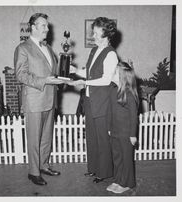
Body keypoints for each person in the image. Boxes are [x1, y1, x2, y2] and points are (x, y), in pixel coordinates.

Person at [14, 13, 64, 186]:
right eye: (43, 26)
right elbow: (20, 75)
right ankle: (33, 172)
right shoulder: (23, 48)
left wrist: (64, 75)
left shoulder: (48, 48)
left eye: (47, 26)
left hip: (50, 99)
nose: (47, 29)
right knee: (34, 138)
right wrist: (44, 81)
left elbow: (53, 72)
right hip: (34, 100)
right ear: (33, 27)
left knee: (46, 137)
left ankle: (44, 166)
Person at [68, 17, 118, 183]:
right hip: (90, 100)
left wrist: (84, 82)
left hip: (103, 101)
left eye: (96, 33)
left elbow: (106, 79)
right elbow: (88, 72)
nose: (93, 36)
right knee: (91, 136)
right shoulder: (94, 50)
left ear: (106, 34)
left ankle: (104, 172)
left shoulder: (110, 54)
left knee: (102, 137)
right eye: (93, 32)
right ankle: (93, 168)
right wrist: (74, 70)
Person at [106, 61, 139, 194]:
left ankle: (128, 183)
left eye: (115, 72)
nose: (112, 74)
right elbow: (109, 111)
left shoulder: (129, 94)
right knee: (117, 157)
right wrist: (109, 127)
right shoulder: (113, 90)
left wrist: (133, 135)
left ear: (122, 76)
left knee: (126, 159)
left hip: (126, 134)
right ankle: (118, 179)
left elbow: (133, 117)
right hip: (114, 131)